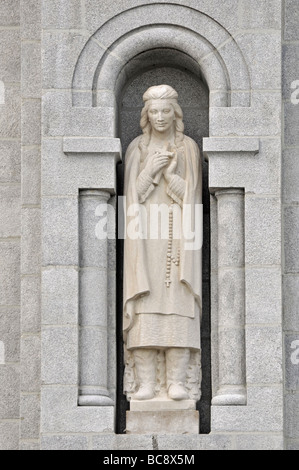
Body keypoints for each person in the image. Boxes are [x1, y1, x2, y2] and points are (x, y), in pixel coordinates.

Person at [123, 85, 202, 401]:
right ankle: (146, 383)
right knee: (146, 301)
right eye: (153, 111)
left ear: (176, 113)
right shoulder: (138, 149)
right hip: (144, 240)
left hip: (181, 238)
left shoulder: (187, 149)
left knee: (178, 302)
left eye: (165, 111)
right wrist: (151, 172)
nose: (159, 117)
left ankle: (176, 382)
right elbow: (130, 200)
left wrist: (170, 176)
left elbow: (192, 198)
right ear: (146, 115)